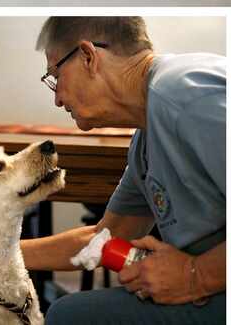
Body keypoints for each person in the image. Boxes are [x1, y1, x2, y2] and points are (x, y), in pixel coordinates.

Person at [28, 17, 226, 323]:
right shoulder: (146, 138)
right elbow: (102, 237)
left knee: (71, 317)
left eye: (55, 75)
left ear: (88, 56)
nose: (57, 99)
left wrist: (194, 276)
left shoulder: (184, 94)